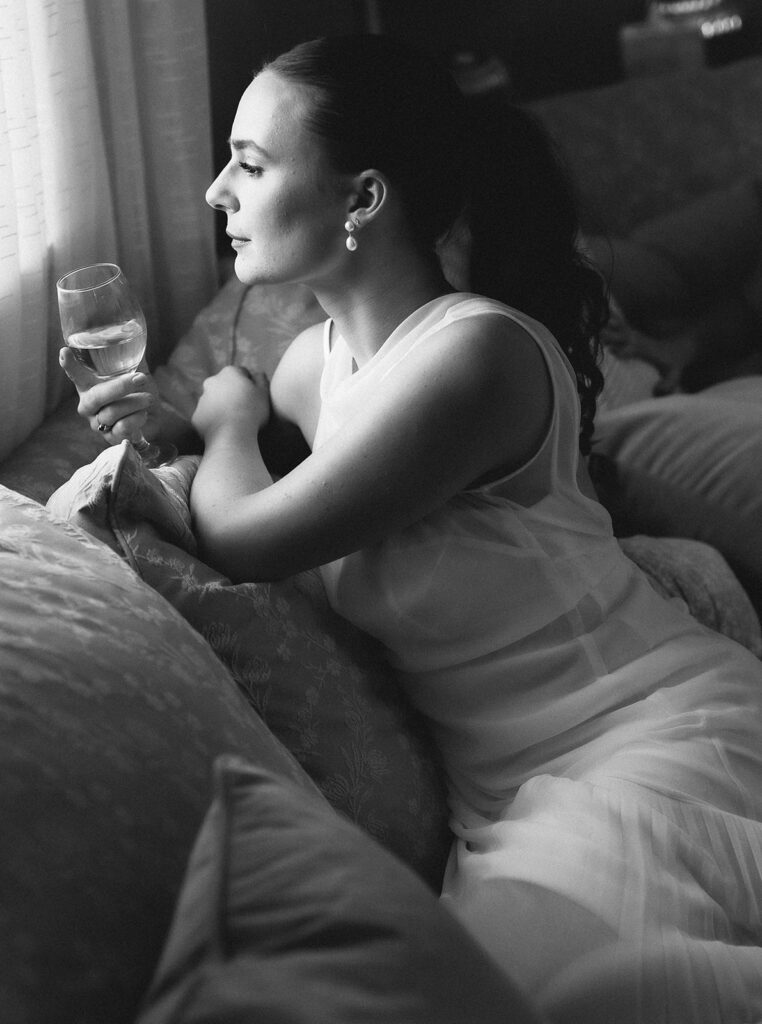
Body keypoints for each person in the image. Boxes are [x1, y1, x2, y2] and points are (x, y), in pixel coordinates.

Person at [62, 34, 762, 1022]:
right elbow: (281, 459)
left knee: (575, 999)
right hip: (512, 801)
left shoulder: (475, 356)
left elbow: (250, 536)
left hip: (639, 736)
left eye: (250, 164)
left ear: (360, 200)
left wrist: (224, 420)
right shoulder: (312, 361)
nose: (217, 190)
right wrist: (186, 424)